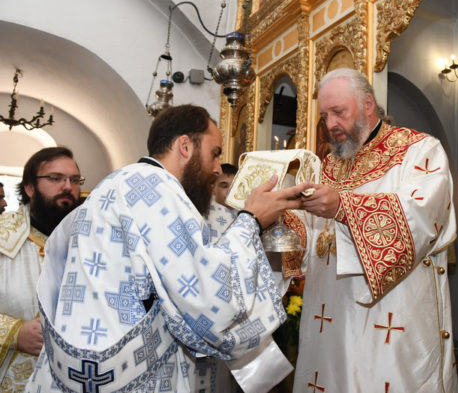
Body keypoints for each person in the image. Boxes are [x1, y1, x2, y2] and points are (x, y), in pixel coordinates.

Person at [25, 104, 310, 393]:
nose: (216, 168)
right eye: (214, 153)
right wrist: (251, 220)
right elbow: (209, 298)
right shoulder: (154, 186)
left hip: (86, 368)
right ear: (185, 146)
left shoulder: (119, 183)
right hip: (129, 378)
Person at [286, 68, 458, 392]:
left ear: (368, 105)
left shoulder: (419, 151)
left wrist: (343, 207)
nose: (330, 124)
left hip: (392, 321)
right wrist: (277, 218)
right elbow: (313, 240)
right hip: (329, 322)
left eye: (339, 112)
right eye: (325, 116)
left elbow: (420, 217)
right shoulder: (326, 166)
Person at [0, 147, 83, 391]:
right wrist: (14, 333)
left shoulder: (93, 241)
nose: (67, 187)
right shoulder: (2, 235)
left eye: (74, 180)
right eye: (56, 178)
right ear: (29, 188)